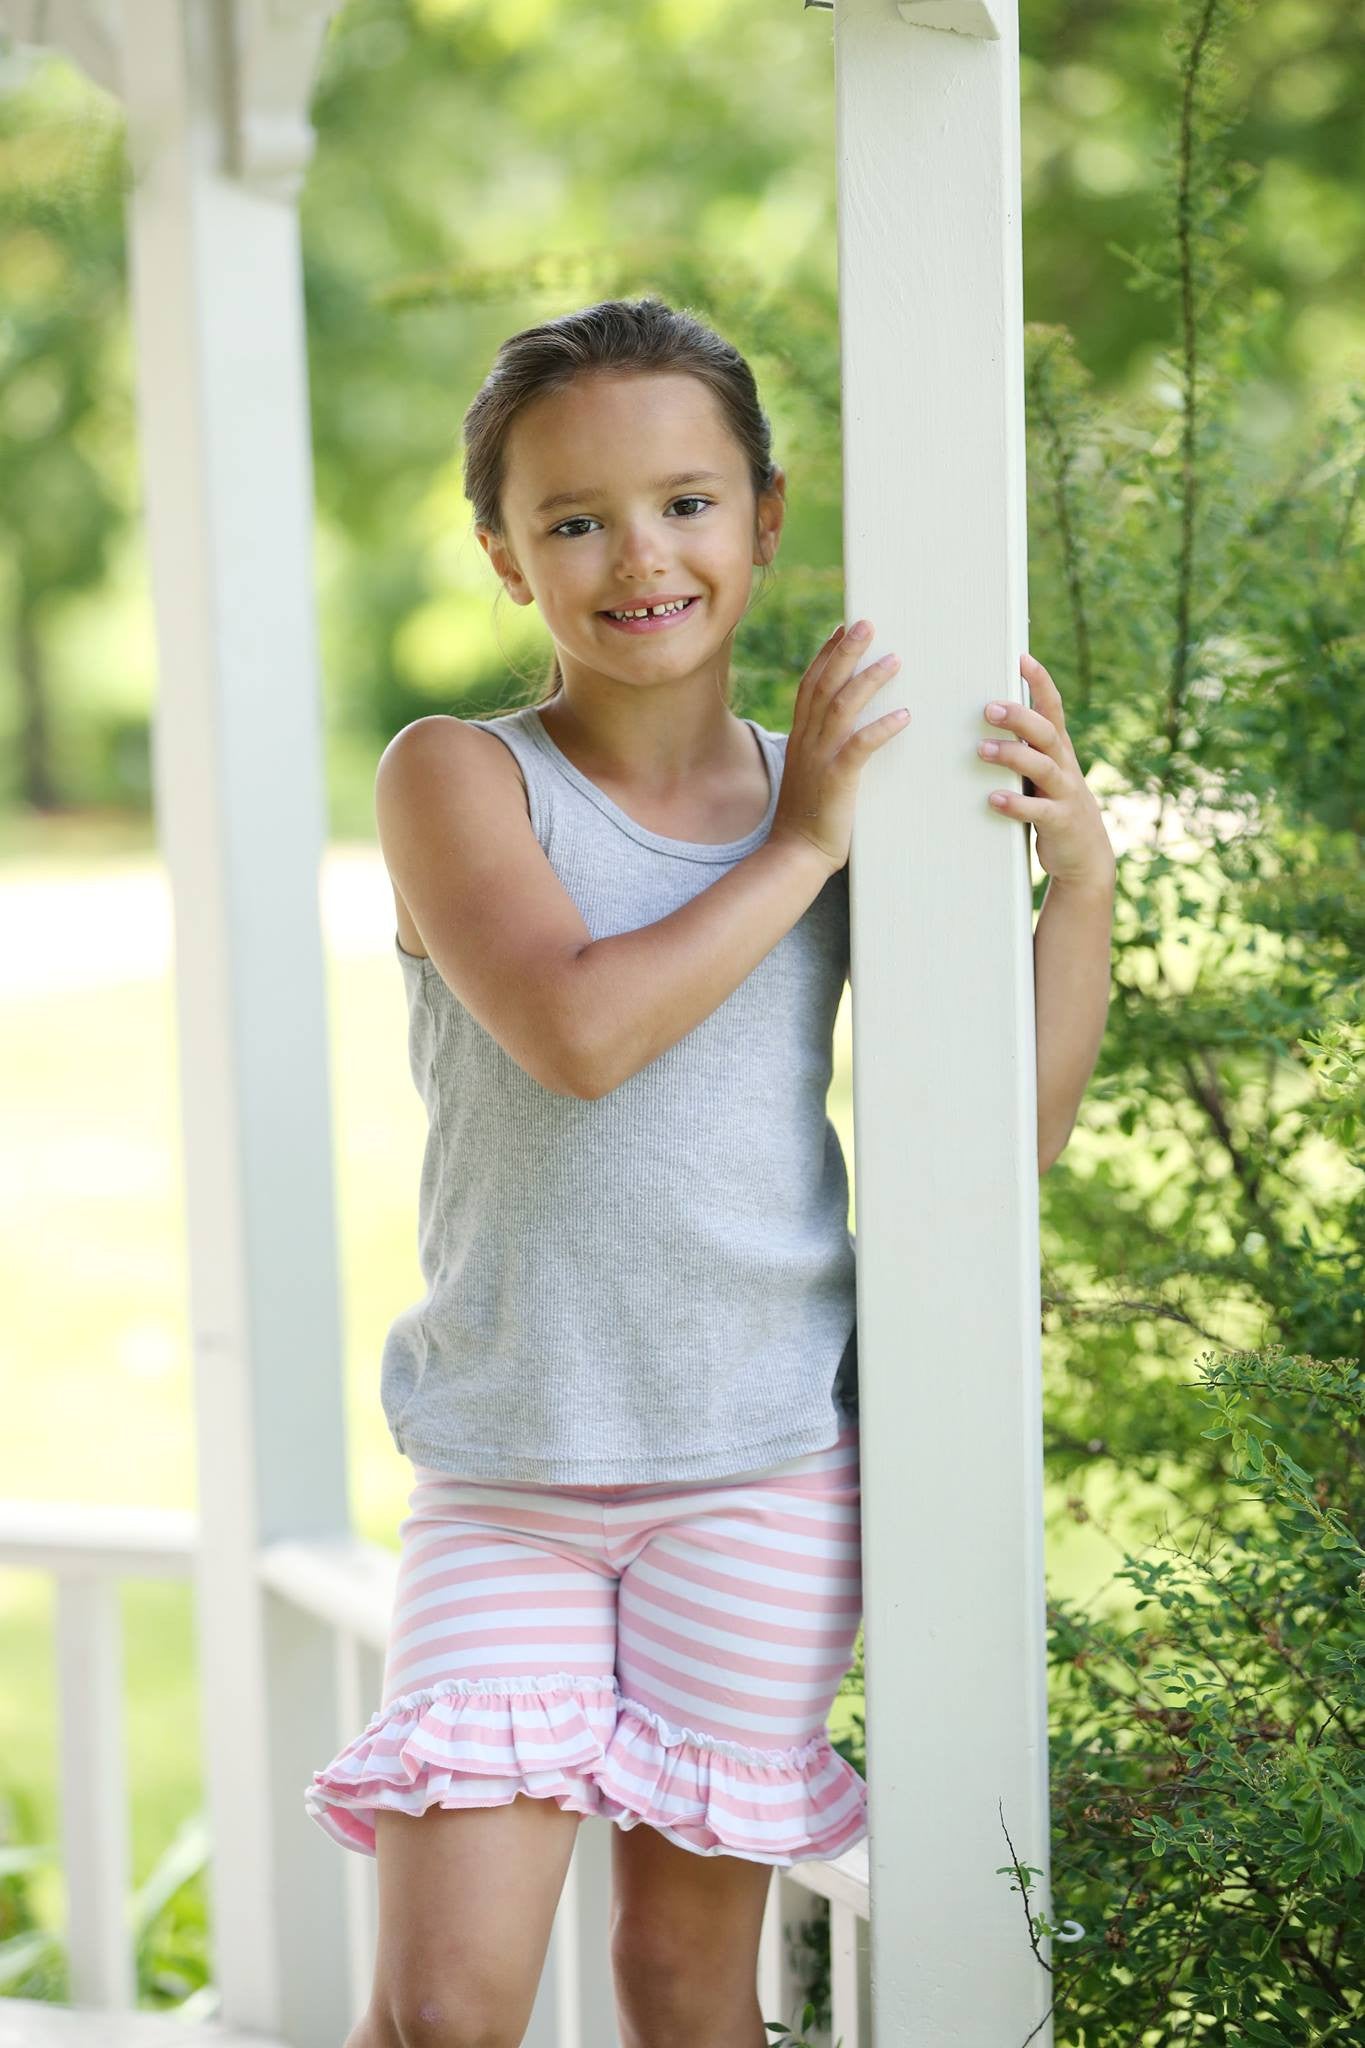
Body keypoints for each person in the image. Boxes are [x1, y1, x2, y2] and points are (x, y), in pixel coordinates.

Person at [304, 295, 1115, 2048]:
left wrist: (1080, 886)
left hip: (755, 1469)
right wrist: (809, 836)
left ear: (762, 510)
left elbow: (1011, 1138)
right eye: (573, 519)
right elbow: (581, 1035)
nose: (636, 555)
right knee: (444, 2009)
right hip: (512, 1467)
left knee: (683, 1980)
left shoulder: (831, 802)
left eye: (684, 502)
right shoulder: (457, 780)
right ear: (506, 559)